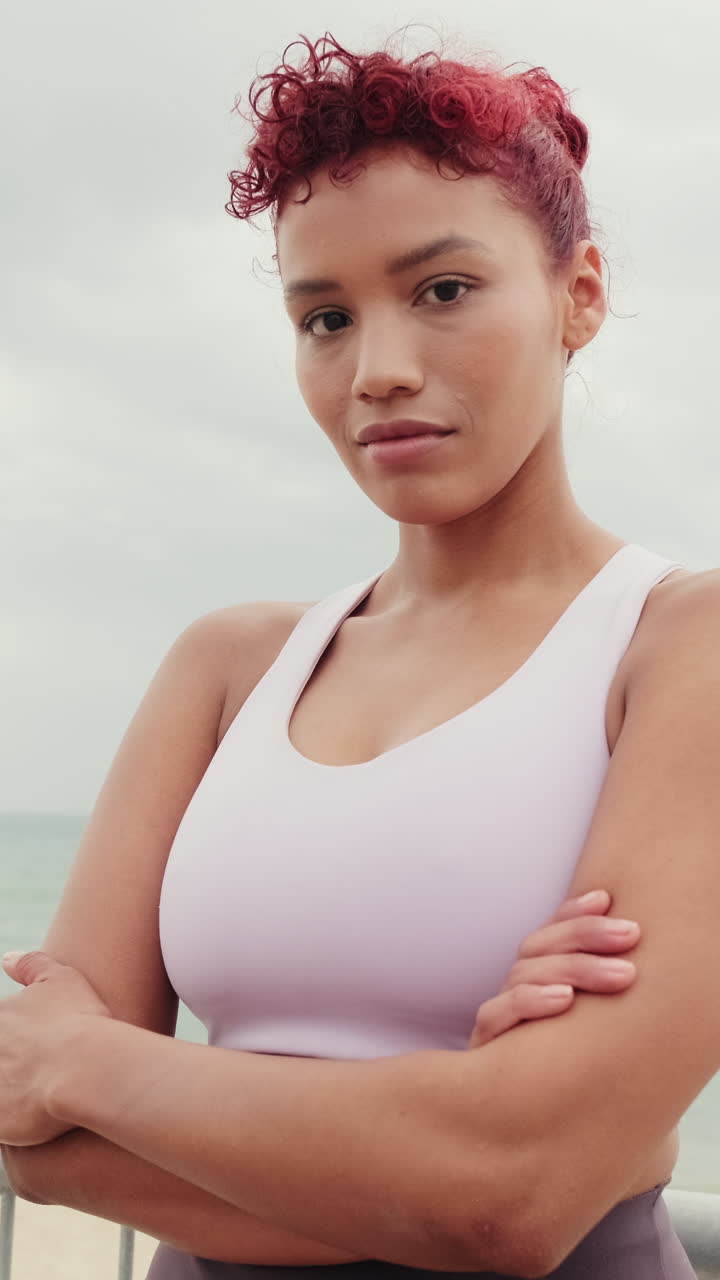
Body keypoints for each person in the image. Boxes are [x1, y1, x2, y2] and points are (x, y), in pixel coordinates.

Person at [0, 27, 716, 1280]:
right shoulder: (227, 667)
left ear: (578, 294)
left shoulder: (675, 645)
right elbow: (30, 1140)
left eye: (443, 290)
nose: (378, 372)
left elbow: (513, 1194)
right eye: (325, 316)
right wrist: (439, 1136)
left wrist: (99, 1063)